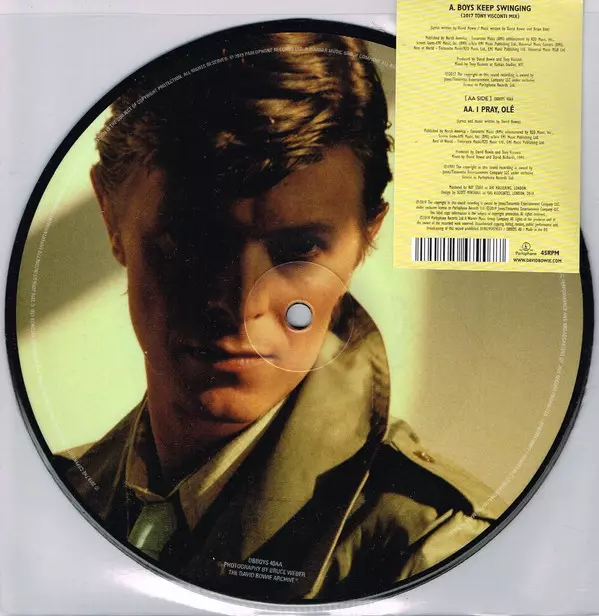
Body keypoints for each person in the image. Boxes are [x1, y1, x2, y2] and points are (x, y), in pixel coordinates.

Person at [55, 29, 505, 603]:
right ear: (109, 213)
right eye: (193, 239)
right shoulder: (48, 492)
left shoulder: (433, 551)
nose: (242, 305)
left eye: (299, 250)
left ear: (366, 240)